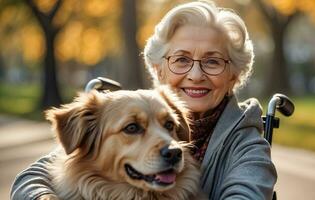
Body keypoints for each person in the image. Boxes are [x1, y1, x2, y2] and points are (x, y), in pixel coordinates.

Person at [11, 1, 277, 199]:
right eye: (181, 59)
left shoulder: (247, 145)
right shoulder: (111, 114)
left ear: (234, 76)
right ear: (158, 68)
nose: (196, 75)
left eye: (213, 61)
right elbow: (32, 178)